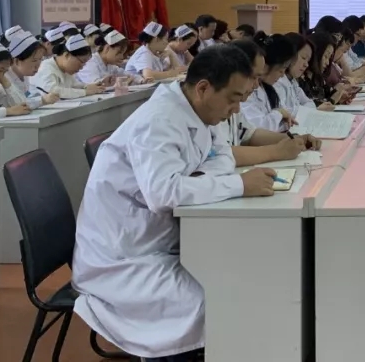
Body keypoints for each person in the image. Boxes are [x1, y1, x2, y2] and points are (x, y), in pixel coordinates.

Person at [72, 46, 290, 361]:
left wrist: (199, 180)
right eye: (233, 99)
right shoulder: (157, 121)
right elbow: (163, 193)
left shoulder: (202, 113)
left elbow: (222, 157)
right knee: (214, 301)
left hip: (164, 240)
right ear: (203, 88)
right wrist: (238, 185)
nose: (235, 110)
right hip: (124, 258)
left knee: (243, 278)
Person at [220, 39, 321, 160]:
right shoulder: (215, 108)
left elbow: (249, 134)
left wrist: (296, 138)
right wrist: (276, 152)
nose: (256, 85)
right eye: (254, 77)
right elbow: (220, 154)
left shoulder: (236, 100)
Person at [242, 34, 298, 132]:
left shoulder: (268, 88)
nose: (282, 75)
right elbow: (256, 129)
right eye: (281, 70)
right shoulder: (245, 91)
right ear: (265, 66)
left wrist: (283, 118)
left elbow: (284, 118)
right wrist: (279, 113)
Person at [33, 34, 107, 98]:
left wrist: (90, 86)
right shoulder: (46, 68)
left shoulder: (66, 70)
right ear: (67, 55)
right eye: (81, 62)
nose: (82, 67)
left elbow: (74, 85)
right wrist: (85, 92)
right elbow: (53, 91)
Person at [4, 32, 59, 108]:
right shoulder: (5, 78)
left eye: (40, 59)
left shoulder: (25, 75)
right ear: (16, 61)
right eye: (34, 60)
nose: (38, 66)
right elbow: (16, 105)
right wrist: (42, 100)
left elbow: (25, 98)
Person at [282, 32, 331, 113]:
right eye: (303, 58)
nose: (306, 64)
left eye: (308, 60)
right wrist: (308, 110)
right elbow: (285, 113)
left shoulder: (293, 81)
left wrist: (305, 110)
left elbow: (309, 102)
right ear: (289, 55)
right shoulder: (278, 82)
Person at [78, 30, 143, 85]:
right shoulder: (90, 63)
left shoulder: (110, 66)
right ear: (107, 48)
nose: (122, 57)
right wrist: (124, 83)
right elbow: (96, 85)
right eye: (119, 52)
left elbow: (127, 75)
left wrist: (141, 81)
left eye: (123, 53)